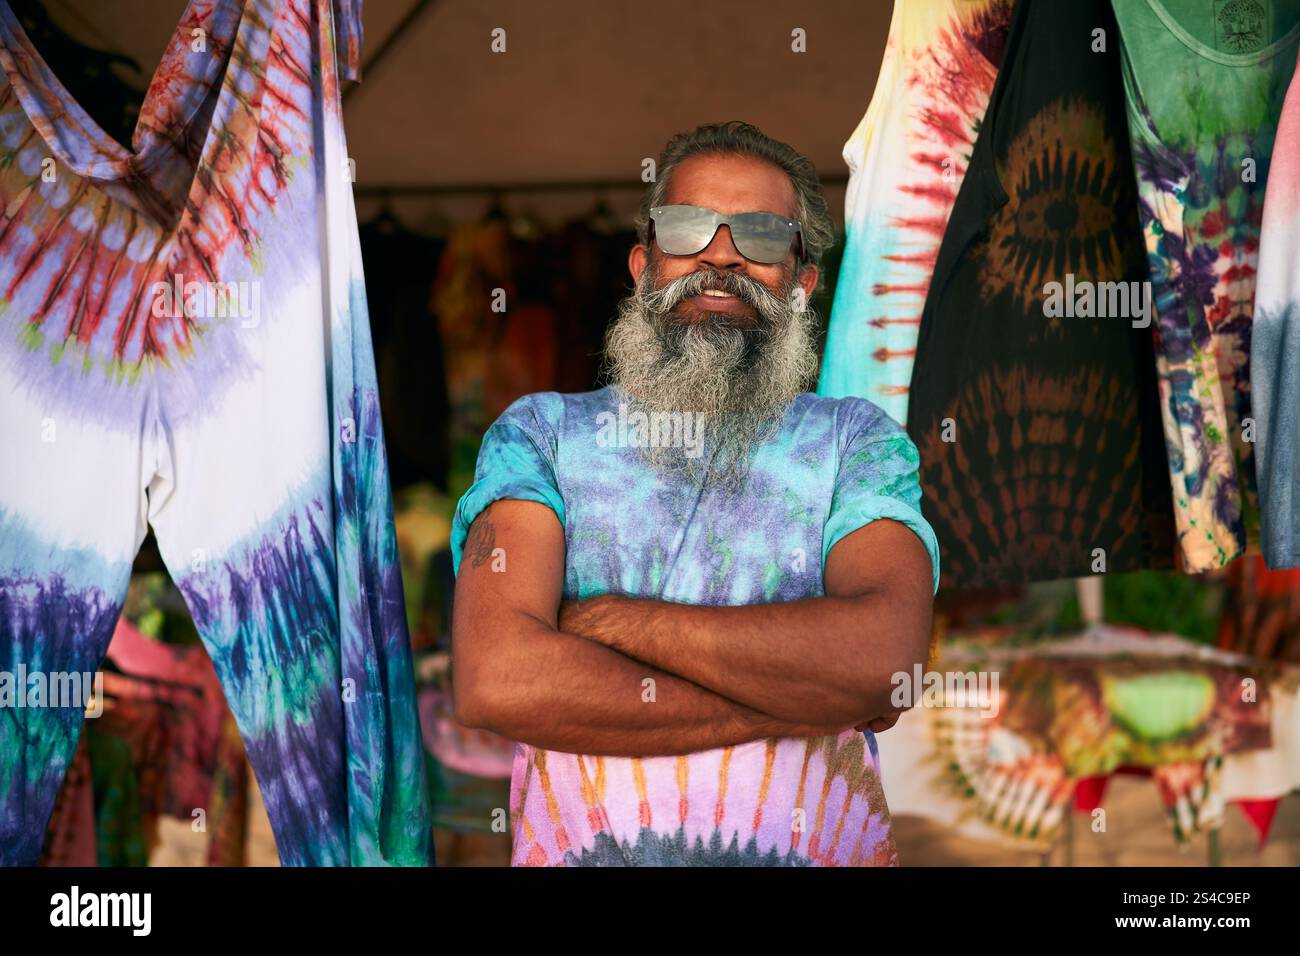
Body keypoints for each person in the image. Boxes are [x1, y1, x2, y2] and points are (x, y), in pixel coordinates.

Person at [449, 121, 939, 866]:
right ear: (645, 265)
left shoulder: (856, 444)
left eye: (762, 237)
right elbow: (499, 682)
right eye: (688, 228)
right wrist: (802, 696)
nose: (720, 256)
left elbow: (882, 664)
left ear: (803, 285)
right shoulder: (542, 436)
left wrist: (616, 623)